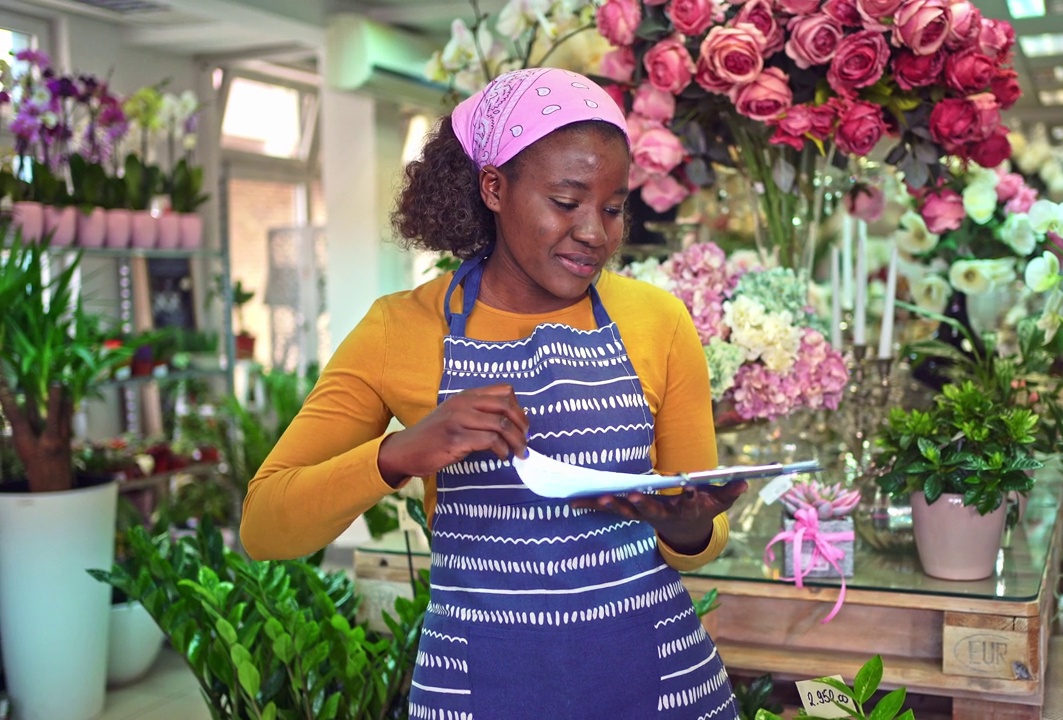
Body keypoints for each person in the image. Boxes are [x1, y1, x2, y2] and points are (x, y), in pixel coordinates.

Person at [239, 67, 746, 720]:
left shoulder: (657, 320)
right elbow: (263, 527)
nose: (595, 232)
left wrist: (690, 521)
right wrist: (399, 454)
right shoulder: (400, 329)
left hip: (653, 680)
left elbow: (700, 536)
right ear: (495, 187)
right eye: (566, 202)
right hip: (480, 688)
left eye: (613, 208)